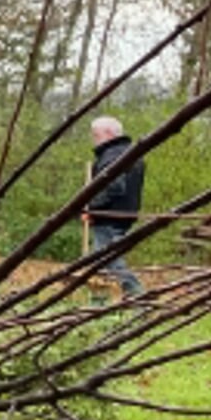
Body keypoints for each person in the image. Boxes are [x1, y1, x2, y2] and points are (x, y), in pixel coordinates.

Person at [84, 115, 144, 297]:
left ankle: (137, 296)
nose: (93, 139)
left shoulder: (113, 156)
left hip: (109, 216)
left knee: (110, 260)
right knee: (100, 261)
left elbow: (114, 187)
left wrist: (91, 207)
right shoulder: (128, 153)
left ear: (109, 134)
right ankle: (98, 301)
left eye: (96, 135)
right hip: (121, 215)